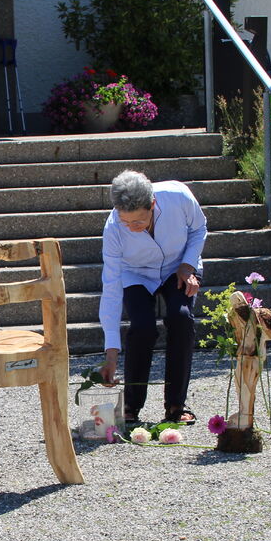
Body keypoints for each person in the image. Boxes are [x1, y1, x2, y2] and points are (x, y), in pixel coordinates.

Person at [98, 170, 208, 426]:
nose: (133, 228)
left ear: (153, 204)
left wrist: (188, 266)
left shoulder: (178, 195)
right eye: (127, 222)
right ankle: (131, 405)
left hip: (177, 265)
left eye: (139, 221)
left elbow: (199, 228)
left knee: (181, 318)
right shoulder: (113, 228)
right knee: (142, 326)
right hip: (135, 271)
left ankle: (176, 405)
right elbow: (111, 289)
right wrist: (111, 354)